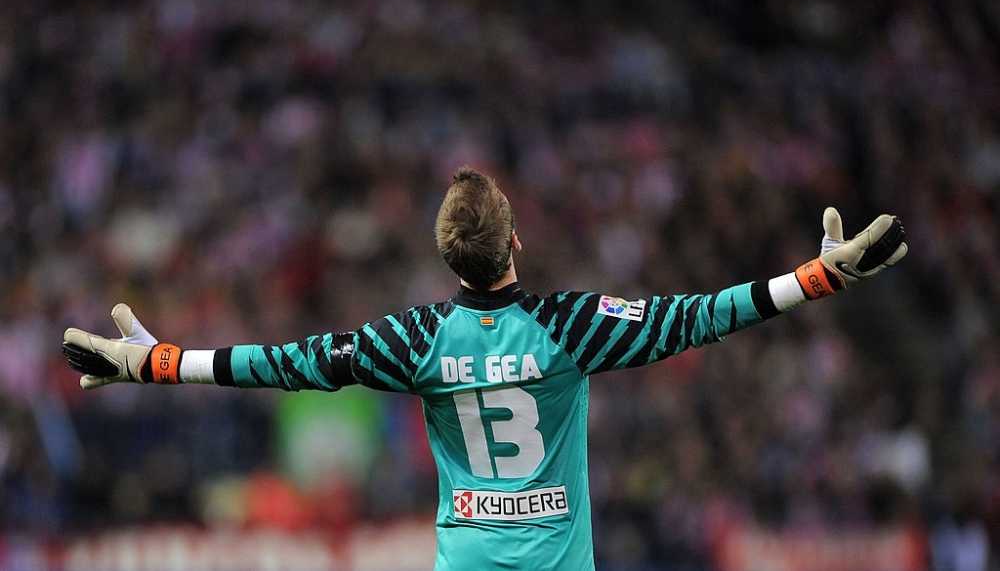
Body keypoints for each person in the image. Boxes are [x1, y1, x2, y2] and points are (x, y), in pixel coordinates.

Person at [62, 167, 908, 570]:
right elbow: (697, 317)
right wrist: (818, 277)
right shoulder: (569, 326)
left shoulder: (418, 338)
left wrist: (159, 360)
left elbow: (285, 363)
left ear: (448, 257)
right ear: (514, 242)